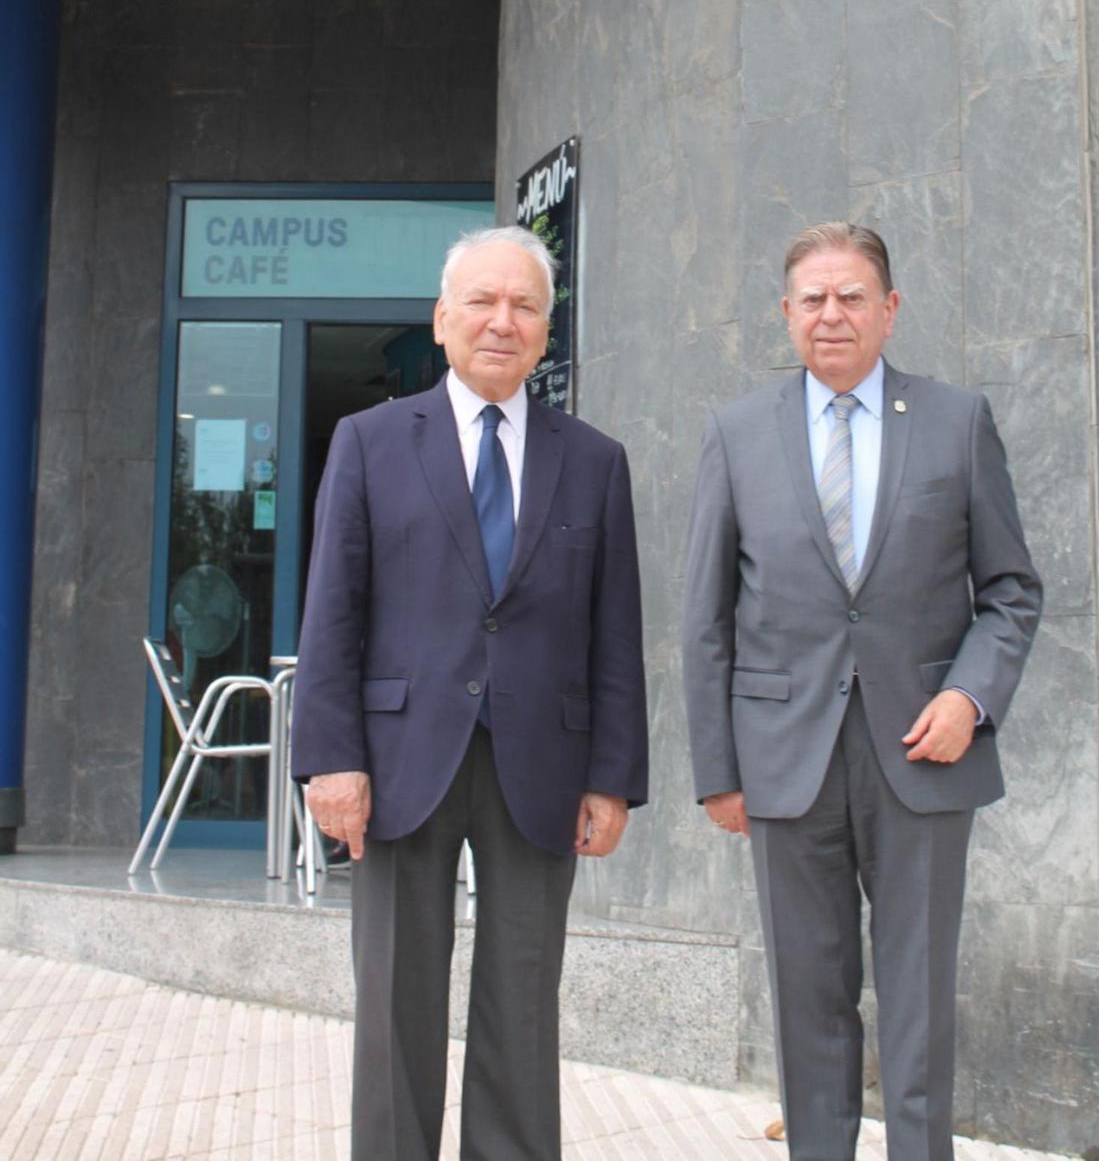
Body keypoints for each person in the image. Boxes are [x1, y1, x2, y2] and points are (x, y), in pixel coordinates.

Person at [682, 222, 1041, 1161]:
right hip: (783, 759)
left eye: (851, 297)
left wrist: (969, 698)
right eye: (813, 299)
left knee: (919, 996)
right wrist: (719, 771)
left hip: (925, 750)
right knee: (808, 996)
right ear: (786, 314)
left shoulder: (958, 421)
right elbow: (706, 618)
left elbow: (1011, 591)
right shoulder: (737, 433)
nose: (831, 315)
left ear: (890, 309)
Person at [291, 225, 648, 1161]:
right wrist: (330, 759)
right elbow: (332, 610)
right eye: (482, 302)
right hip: (399, 761)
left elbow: (615, 631)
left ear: (546, 331)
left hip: (543, 766)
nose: (502, 321)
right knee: (395, 999)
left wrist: (612, 778)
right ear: (442, 319)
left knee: (524, 1004)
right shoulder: (369, 442)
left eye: (524, 305)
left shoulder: (595, 459)